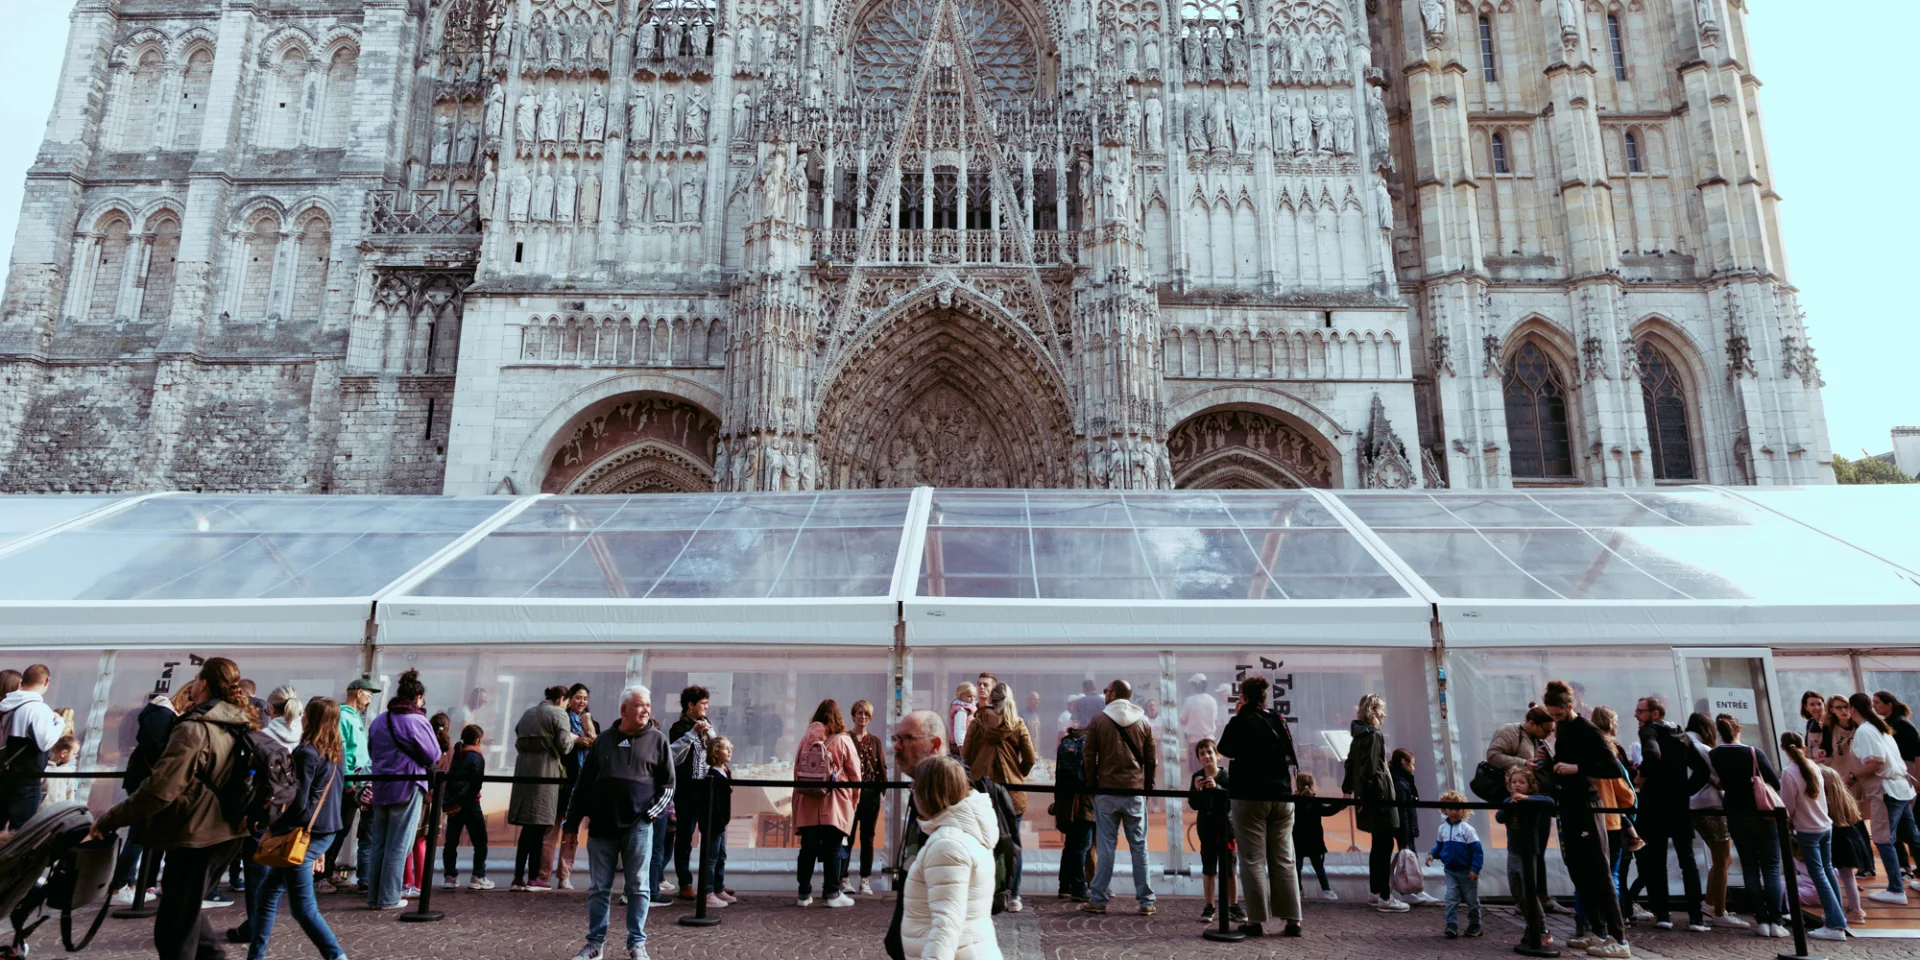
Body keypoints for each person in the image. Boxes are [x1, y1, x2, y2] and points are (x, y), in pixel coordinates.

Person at [87, 657, 257, 960]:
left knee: (174, 931)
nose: (192, 684)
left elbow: (159, 790)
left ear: (204, 684)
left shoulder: (195, 729)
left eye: (196, 678)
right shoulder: (241, 723)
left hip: (196, 835)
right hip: (229, 831)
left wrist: (109, 819)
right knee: (186, 913)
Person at [564, 684, 675, 960]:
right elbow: (583, 785)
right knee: (599, 888)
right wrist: (571, 824)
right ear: (624, 709)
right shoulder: (603, 740)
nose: (646, 710)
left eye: (648, 705)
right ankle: (595, 945)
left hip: (638, 827)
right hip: (601, 826)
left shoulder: (658, 740)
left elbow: (668, 785)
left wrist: (649, 815)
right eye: (640, 705)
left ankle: (637, 944)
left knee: (638, 887)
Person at [249, 697, 347, 960]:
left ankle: (336, 956)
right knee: (268, 894)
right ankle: (255, 956)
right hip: (325, 830)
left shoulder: (307, 753)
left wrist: (275, 826)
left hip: (303, 834)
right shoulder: (336, 752)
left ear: (310, 718)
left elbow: (298, 801)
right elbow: (332, 796)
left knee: (303, 908)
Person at [1539, 679, 1630, 958]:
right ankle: (1598, 932)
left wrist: (1576, 768)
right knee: (1579, 871)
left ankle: (1620, 940)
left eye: (1558, 714)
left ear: (1570, 705)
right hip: (1569, 806)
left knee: (1600, 872)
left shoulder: (1588, 729)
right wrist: (1548, 762)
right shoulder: (1563, 728)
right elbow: (1564, 764)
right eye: (1551, 715)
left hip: (1587, 807)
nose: (1555, 720)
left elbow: (1613, 767)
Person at [1216, 674, 1299, 935]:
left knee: (1252, 859)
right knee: (1284, 858)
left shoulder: (1241, 720)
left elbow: (1225, 749)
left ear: (1244, 697)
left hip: (1250, 795)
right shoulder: (1278, 718)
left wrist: (1239, 715)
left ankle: (1256, 920)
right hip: (1282, 795)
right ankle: (1293, 920)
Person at [900, 756, 1003, 960]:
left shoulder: (947, 844)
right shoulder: (965, 833)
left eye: (914, 787)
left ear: (928, 793)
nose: (913, 794)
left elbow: (946, 926)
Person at [1630, 695, 1710, 932]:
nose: (1636, 715)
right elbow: (1702, 770)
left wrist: (1642, 777)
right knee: (1688, 861)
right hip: (1679, 806)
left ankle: (1663, 915)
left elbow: (1652, 755)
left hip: (1654, 805)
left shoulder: (1648, 731)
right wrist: (1685, 791)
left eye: (1640, 711)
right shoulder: (1680, 734)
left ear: (1654, 714)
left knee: (1657, 862)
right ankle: (1696, 918)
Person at [366, 668, 441, 911]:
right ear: (418, 698)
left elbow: (371, 750)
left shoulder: (380, 720)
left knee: (379, 843)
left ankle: (374, 895)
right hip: (407, 785)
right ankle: (388, 897)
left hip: (381, 785)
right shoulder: (416, 721)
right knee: (399, 844)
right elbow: (433, 754)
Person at [1081, 679, 1156, 916]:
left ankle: (1098, 898)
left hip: (1106, 790)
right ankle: (1146, 901)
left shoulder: (1099, 720)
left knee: (1106, 847)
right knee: (1139, 847)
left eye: (1107, 691)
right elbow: (1151, 759)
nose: (1105, 694)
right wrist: (1147, 787)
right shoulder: (1143, 721)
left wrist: (1092, 784)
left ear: (1113, 694)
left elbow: (1088, 756)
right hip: (1134, 790)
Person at [1705, 714, 1785, 937]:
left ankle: (1761, 920)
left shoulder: (1715, 754)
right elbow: (1774, 782)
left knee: (1749, 867)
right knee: (1771, 867)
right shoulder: (1753, 752)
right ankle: (1776, 921)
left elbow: (1720, 781)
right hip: (1762, 814)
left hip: (1735, 814)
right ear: (1738, 728)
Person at [963, 682, 1035, 912]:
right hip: (1012, 792)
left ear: (991, 699)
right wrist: (1018, 774)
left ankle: (984, 894)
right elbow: (1030, 758)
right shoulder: (1017, 722)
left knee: (982, 843)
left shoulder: (978, 721)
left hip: (982, 790)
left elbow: (966, 755)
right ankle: (1014, 896)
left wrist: (979, 767)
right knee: (1013, 844)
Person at [1487, 707, 1561, 918]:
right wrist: (1524, 763)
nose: (1549, 734)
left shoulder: (1539, 740)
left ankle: (1540, 896)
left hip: (1538, 802)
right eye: (1546, 729)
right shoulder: (1511, 731)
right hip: (1521, 804)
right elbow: (1493, 755)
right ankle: (1528, 901)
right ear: (1533, 724)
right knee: (1523, 852)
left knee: (1538, 850)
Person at [1850, 691, 1920, 905]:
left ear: (1853, 709)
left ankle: (1896, 889)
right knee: (1912, 835)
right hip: (1901, 788)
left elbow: (1876, 762)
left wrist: (1851, 776)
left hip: (1886, 790)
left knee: (1883, 839)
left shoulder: (1865, 730)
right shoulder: (1881, 728)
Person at [1778, 731, 1848, 941]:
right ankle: (1835, 916)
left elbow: (1787, 805)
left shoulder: (1789, 772)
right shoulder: (1814, 766)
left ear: (1783, 748)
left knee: (1819, 875)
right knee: (1827, 871)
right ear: (1804, 747)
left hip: (1807, 829)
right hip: (1825, 826)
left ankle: (1836, 925)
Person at [794, 698, 862, 908]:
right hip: (834, 802)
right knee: (833, 848)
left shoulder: (806, 739)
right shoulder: (843, 740)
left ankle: (803, 894)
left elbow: (796, 770)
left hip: (808, 802)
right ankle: (833, 893)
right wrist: (852, 803)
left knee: (808, 849)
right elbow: (855, 775)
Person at [1343, 693, 1404, 913]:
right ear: (1374, 711)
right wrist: (1367, 796)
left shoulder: (1358, 735)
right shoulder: (1374, 734)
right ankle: (1385, 896)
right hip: (1379, 797)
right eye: (1381, 710)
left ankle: (1375, 892)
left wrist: (1349, 790)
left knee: (1377, 845)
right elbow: (1370, 768)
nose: (1384, 714)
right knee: (1384, 845)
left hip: (1368, 796)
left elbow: (1351, 763)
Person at [510, 685, 574, 891]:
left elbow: (517, 733)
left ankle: (518, 877)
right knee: (539, 826)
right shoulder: (559, 714)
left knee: (526, 828)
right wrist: (573, 739)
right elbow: (564, 746)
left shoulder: (528, 713)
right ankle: (533, 878)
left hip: (524, 771)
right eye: (567, 702)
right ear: (561, 699)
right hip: (545, 771)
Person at [1682, 711, 1741, 928]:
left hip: (1693, 804)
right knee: (1722, 857)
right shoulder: (1704, 749)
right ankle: (1719, 911)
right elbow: (1718, 777)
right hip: (1710, 805)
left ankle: (1710, 903)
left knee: (1723, 858)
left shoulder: (1683, 744)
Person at [1499, 767, 1558, 957]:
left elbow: (1550, 802)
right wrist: (1509, 805)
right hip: (1513, 851)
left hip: (1529, 853)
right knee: (1517, 891)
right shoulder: (1508, 802)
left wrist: (1527, 799)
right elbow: (1500, 817)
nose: (1517, 785)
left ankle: (1542, 928)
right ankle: (1531, 926)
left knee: (1529, 893)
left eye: (1521, 782)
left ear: (1530, 786)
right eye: (1514, 782)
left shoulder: (1535, 802)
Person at [326, 677, 378, 893]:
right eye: (369, 695)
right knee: (338, 826)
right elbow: (342, 749)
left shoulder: (354, 717)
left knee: (344, 827)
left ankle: (327, 870)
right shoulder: (343, 716)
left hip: (357, 780)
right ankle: (322, 873)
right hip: (349, 781)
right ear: (358, 693)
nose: (370, 700)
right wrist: (348, 780)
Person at [0, 663, 63, 829]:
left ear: (23, 681)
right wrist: (59, 723)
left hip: (6, 774)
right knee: (21, 831)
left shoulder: (8, 706)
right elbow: (44, 743)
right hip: (27, 778)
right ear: (47, 681)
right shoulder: (38, 709)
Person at [1187, 739, 1241, 926]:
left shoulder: (1226, 775)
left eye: (1209, 752)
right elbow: (1193, 804)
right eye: (1202, 754)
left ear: (1217, 755)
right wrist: (1197, 790)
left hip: (1227, 829)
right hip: (1207, 829)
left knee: (1230, 869)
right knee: (1208, 868)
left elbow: (1232, 801)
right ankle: (1209, 905)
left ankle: (1233, 905)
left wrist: (1216, 788)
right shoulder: (1196, 777)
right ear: (1198, 759)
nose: (1206, 756)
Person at [549, 684, 597, 889]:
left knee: (573, 832)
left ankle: (564, 874)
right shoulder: (562, 719)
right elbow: (559, 746)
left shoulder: (591, 722)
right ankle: (542, 875)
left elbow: (598, 748)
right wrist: (575, 742)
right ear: (569, 699)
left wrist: (590, 733)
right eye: (578, 697)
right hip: (564, 782)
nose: (582, 702)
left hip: (585, 783)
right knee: (553, 829)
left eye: (585, 698)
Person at [668, 685, 713, 900]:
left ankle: (711, 883)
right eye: (703, 703)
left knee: (712, 836)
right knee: (685, 836)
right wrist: (692, 733)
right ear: (690, 705)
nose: (707, 707)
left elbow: (715, 749)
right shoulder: (679, 728)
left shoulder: (707, 724)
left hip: (706, 789)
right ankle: (685, 882)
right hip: (687, 791)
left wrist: (709, 732)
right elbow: (673, 755)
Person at [1872, 689, 1920, 883]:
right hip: (1900, 775)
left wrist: (1918, 779)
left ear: (1889, 704)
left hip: (1906, 774)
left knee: (1905, 826)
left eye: (1877, 703)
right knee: (1904, 826)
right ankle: (1905, 867)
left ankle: (1905, 867)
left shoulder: (1902, 725)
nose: (1874, 706)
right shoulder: (1887, 724)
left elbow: (1917, 753)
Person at [1821, 752, 1871, 925]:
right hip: (1850, 840)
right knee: (1849, 877)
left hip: (1839, 842)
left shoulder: (1827, 802)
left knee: (1839, 875)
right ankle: (1855, 909)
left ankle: (1853, 911)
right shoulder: (1844, 798)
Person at [1425, 790, 1482, 939]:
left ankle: (1475, 924)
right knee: (1451, 898)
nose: (1454, 812)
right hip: (1450, 871)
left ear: (1464, 810)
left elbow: (1477, 851)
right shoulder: (1442, 828)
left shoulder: (1467, 830)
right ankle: (1451, 924)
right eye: (1450, 808)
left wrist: (1475, 869)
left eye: (1457, 808)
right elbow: (1440, 846)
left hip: (1467, 871)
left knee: (1471, 900)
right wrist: (1432, 854)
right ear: (1445, 810)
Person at [443, 723, 491, 890]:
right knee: (480, 841)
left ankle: (450, 877)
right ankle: (478, 876)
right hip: (471, 804)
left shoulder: (457, 754)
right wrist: (467, 801)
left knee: (451, 842)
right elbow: (476, 783)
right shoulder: (476, 757)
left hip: (454, 804)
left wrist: (452, 802)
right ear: (478, 740)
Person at [1050, 724, 1094, 902]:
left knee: (1071, 845)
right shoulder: (1089, 744)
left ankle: (1065, 886)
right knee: (1082, 846)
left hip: (1067, 802)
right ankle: (1079, 887)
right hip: (1083, 802)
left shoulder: (1067, 742)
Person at [849, 700, 888, 896]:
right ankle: (843, 878)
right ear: (853, 716)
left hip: (871, 795)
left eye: (866, 714)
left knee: (868, 838)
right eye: (859, 713)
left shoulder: (875, 741)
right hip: (850, 795)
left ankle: (864, 879)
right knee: (847, 837)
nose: (863, 717)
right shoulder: (846, 738)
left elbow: (881, 766)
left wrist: (882, 789)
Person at [1389, 747, 1436, 905]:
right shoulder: (1400, 783)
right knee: (1408, 862)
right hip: (1405, 830)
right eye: (1412, 764)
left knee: (1410, 860)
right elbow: (1403, 812)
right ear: (1404, 762)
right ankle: (1409, 890)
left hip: (1406, 829)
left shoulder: (1402, 781)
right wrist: (1406, 835)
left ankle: (1414, 890)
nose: (1414, 768)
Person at [703, 737, 737, 908]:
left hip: (721, 823)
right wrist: (717, 824)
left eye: (730, 748)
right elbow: (713, 803)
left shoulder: (725, 772)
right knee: (711, 858)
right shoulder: (713, 774)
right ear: (715, 753)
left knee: (720, 857)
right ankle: (707, 892)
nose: (729, 751)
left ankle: (718, 888)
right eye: (725, 748)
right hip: (714, 824)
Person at [1291, 773, 1333, 901]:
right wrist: (1340, 804)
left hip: (1298, 838)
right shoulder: (1315, 801)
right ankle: (1327, 890)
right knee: (1318, 866)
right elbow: (1328, 811)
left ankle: (1298, 889)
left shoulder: (1293, 801)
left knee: (1297, 866)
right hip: (1314, 839)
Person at [1178, 674, 1219, 757]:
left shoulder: (1190, 701)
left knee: (1195, 765)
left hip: (1195, 742)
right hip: (1210, 741)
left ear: (1195, 686)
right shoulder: (1213, 700)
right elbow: (1215, 719)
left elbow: (1182, 720)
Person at [41, 734, 77, 806]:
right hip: (43, 810)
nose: (75, 756)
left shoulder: (68, 771)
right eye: (74, 754)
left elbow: (70, 793)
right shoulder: (44, 769)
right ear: (64, 753)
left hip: (60, 810)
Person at [948, 683, 977, 759]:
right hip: (961, 747)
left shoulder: (970, 708)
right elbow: (959, 730)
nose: (972, 699)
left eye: (974, 696)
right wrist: (961, 747)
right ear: (961, 696)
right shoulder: (962, 711)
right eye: (969, 696)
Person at [1802, 691, 1829, 757]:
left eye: (1819, 704)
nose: (1816, 707)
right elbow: (1806, 745)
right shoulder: (1810, 723)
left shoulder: (1830, 722)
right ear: (1806, 707)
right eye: (1812, 705)